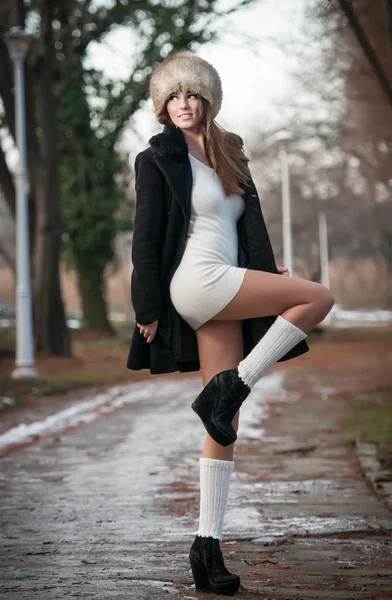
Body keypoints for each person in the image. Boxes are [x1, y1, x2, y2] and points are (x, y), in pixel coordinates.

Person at [127, 51, 334, 595]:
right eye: (172, 96)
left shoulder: (230, 155)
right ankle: (235, 384)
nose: (183, 104)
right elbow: (145, 238)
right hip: (196, 282)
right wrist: (145, 307)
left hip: (228, 278)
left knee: (225, 423)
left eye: (191, 94)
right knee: (318, 297)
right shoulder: (156, 160)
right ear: (161, 106)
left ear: (208, 100)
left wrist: (266, 274)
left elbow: (246, 228)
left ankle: (207, 549)